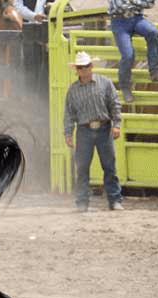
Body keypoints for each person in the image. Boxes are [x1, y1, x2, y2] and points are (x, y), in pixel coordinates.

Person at [63, 52, 124, 212]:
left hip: (104, 128)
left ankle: (114, 200)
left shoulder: (105, 83)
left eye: (86, 66)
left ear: (91, 67)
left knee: (109, 166)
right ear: (77, 69)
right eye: (80, 67)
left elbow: (114, 104)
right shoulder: (73, 90)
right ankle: (82, 203)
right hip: (84, 130)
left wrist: (116, 124)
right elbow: (69, 113)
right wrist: (68, 133)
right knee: (82, 168)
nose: (83, 70)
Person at [108, 0, 158, 103]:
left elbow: (150, 3)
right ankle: (125, 87)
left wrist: (132, 1)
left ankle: (155, 71)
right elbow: (119, 6)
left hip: (137, 19)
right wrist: (139, 3)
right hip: (119, 20)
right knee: (128, 55)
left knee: (153, 32)